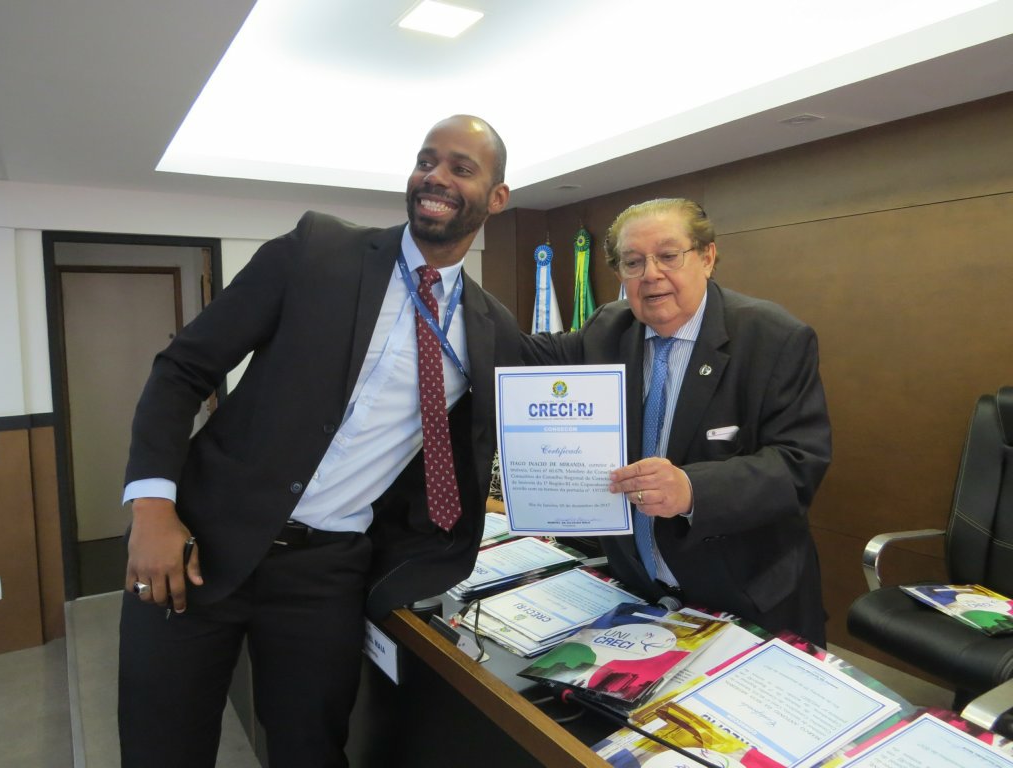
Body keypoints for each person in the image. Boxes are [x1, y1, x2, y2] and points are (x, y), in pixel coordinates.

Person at [118, 114, 522, 768]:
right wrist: (152, 508)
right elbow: (182, 368)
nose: (435, 177)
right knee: (161, 747)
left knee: (312, 751)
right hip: (196, 539)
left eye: (460, 168)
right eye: (426, 161)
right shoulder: (318, 250)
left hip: (325, 573)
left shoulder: (492, 328)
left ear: (496, 197)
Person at [523, 198, 831, 645]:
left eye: (668, 255)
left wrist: (691, 489)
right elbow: (525, 353)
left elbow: (798, 466)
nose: (651, 274)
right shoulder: (609, 328)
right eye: (633, 262)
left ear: (707, 257)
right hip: (639, 592)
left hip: (746, 600)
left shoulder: (773, 337)